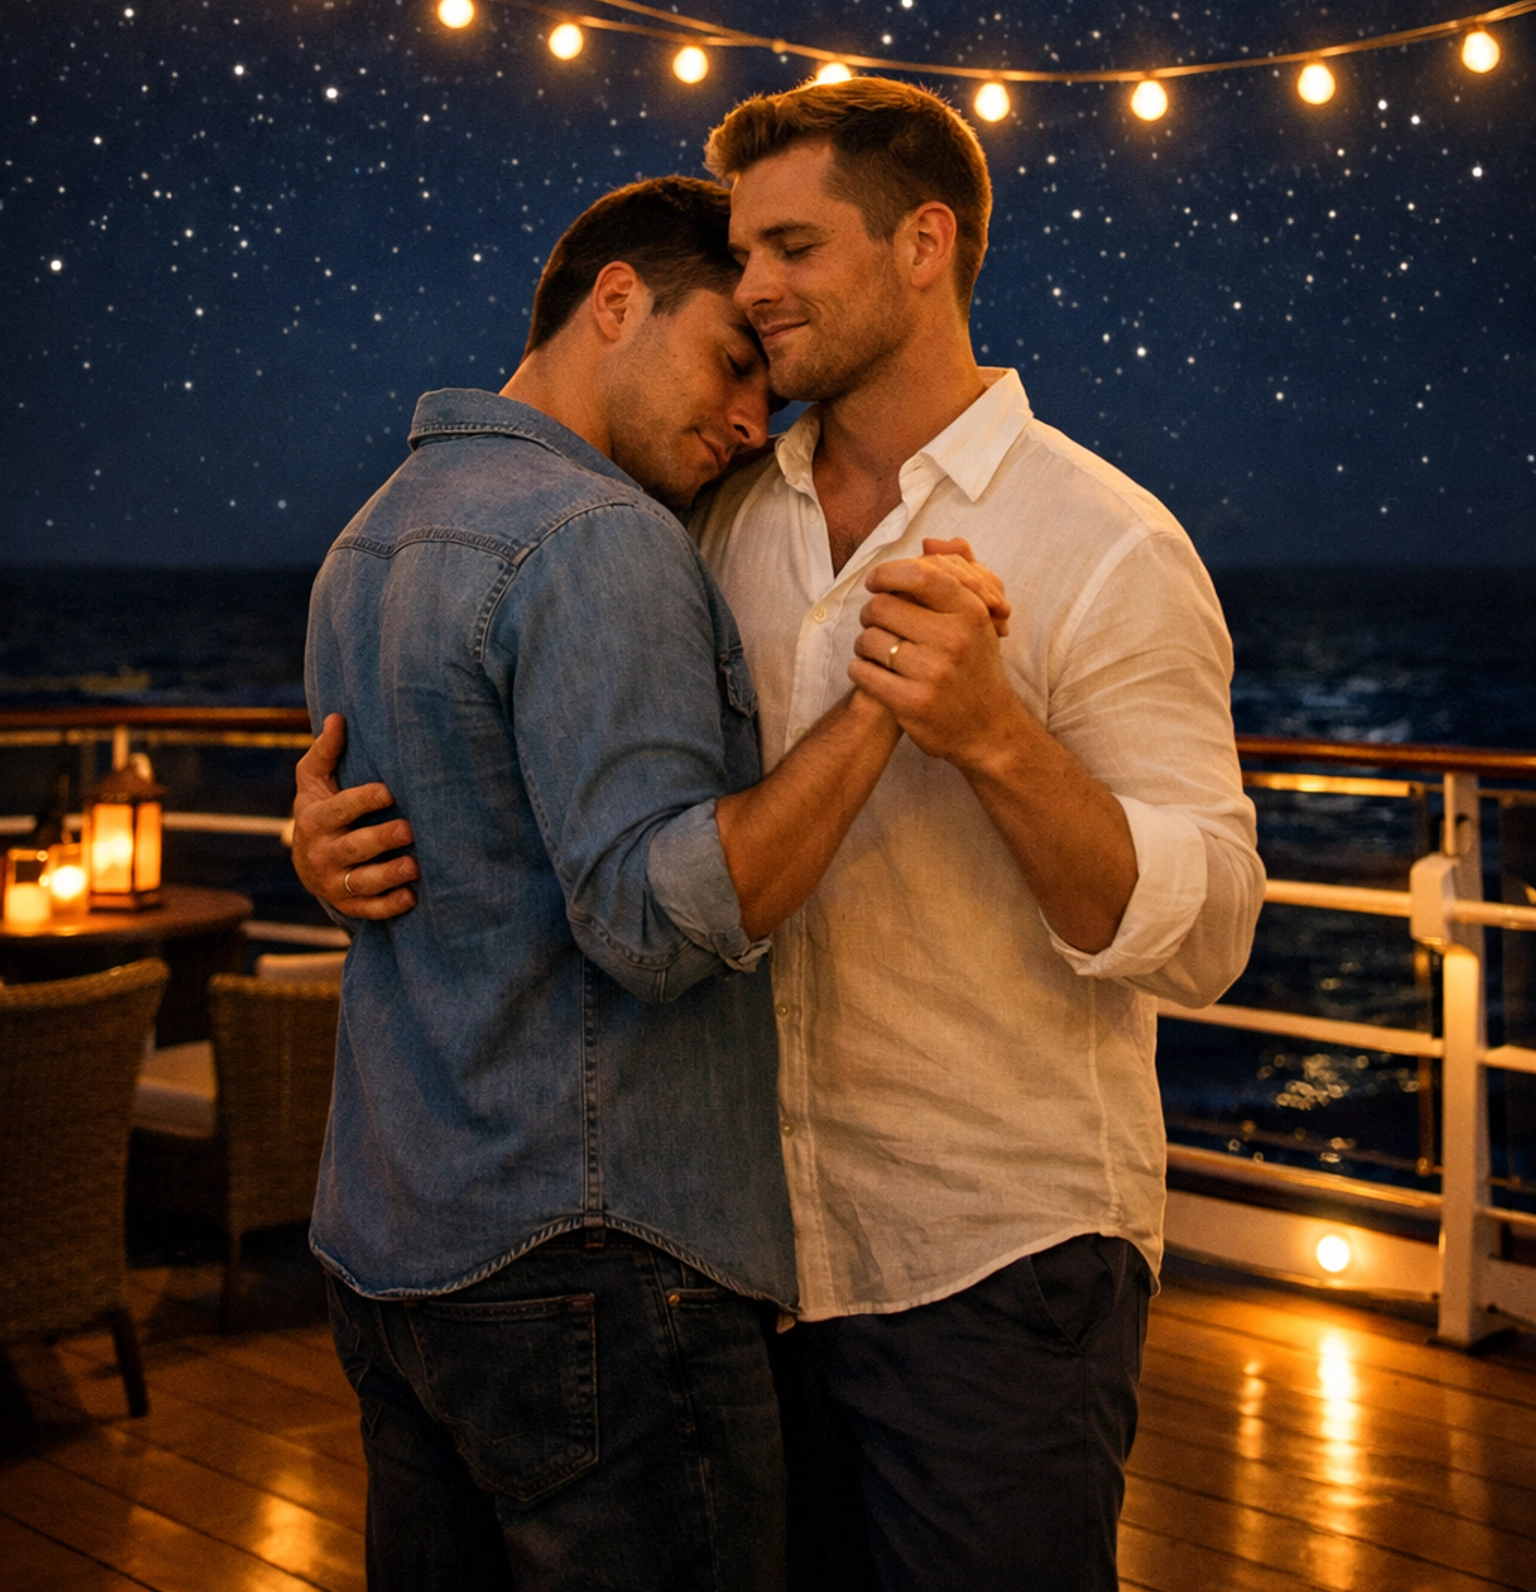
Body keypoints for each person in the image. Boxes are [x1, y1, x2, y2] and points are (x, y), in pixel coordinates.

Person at [300, 84, 1264, 1591]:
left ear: (924, 244)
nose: (753, 286)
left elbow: (1208, 934)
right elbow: (534, 723)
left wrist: (995, 735)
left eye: (793, 248)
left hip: (986, 1265)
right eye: (742, 256)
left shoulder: (1106, 541)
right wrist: (341, 832)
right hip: (742, 1271)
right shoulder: (707, 518)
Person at [297, 171, 1004, 1592]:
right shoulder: (599, 536)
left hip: (393, 1250)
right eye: (733, 363)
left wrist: (307, 846)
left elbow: (440, 830)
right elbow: (651, 923)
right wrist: (884, 702)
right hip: (591, 1264)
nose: (751, 420)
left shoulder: (368, 536)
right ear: (615, 301)